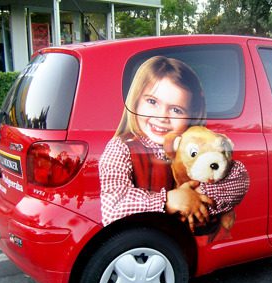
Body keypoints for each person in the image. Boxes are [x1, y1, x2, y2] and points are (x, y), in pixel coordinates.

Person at [99, 56, 249, 233]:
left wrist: (196, 198)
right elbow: (113, 207)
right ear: (136, 101)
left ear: (192, 114)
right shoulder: (121, 148)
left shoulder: (195, 143)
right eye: (152, 102)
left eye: (176, 110)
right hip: (147, 243)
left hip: (190, 242)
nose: (162, 117)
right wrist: (169, 201)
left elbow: (239, 179)